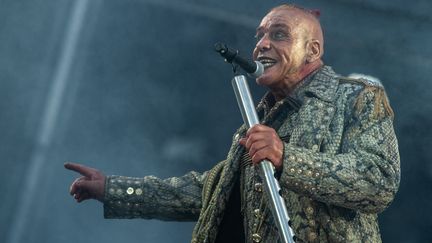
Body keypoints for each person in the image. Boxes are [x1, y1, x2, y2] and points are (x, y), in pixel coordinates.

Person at [65, 4, 400, 243]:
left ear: (312, 50)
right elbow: (203, 193)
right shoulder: (255, 123)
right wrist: (113, 189)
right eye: (260, 35)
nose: (262, 44)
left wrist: (287, 158)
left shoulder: (355, 98)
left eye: (279, 34)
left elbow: (378, 180)